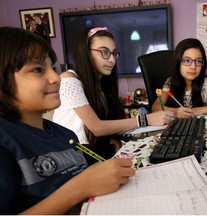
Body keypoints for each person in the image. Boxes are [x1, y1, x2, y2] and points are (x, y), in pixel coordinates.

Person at [0, 26, 135, 215]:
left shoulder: (65, 135)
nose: (56, 77)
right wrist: (81, 187)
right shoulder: (5, 141)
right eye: (38, 69)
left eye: (53, 68)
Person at [53, 27, 174, 162]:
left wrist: (113, 138)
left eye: (114, 53)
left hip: (93, 148)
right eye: (104, 52)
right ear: (86, 53)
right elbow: (97, 127)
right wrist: (146, 119)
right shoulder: (69, 79)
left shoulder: (100, 85)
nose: (112, 60)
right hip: (72, 156)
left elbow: (106, 124)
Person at [152, 38, 207, 118]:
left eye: (198, 61)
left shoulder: (205, 84)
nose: (193, 67)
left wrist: (201, 110)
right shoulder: (170, 82)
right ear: (178, 62)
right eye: (187, 61)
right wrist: (175, 112)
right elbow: (155, 107)